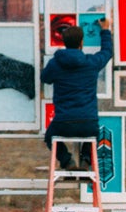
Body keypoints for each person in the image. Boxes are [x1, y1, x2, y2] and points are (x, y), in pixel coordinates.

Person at [41, 18, 113, 169]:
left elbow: (45, 78)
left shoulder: (56, 63)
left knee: (49, 136)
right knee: (94, 134)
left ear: (64, 42)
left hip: (63, 124)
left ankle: (67, 161)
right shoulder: (91, 63)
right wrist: (105, 30)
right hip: (88, 123)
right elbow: (107, 52)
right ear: (81, 43)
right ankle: (86, 158)